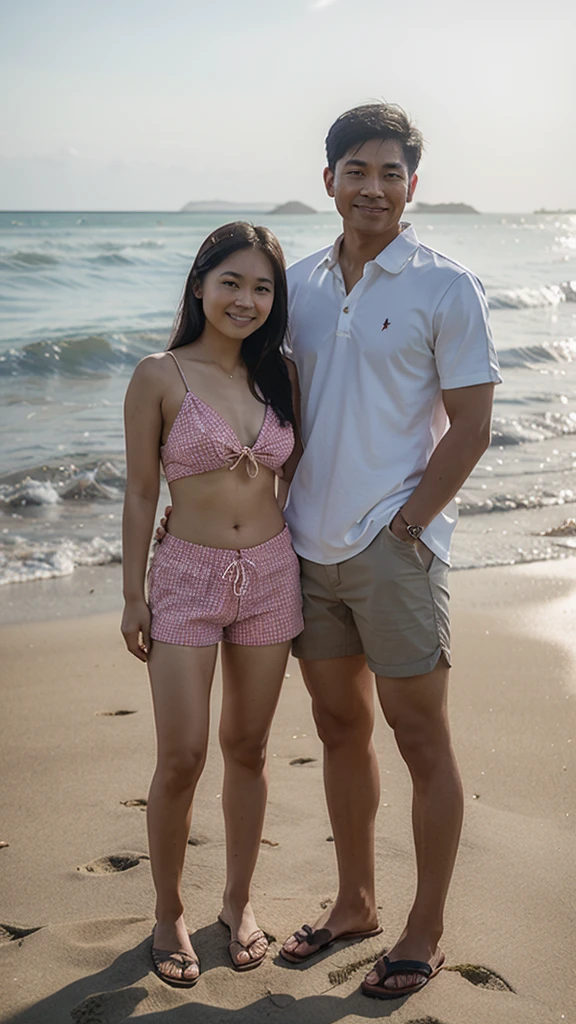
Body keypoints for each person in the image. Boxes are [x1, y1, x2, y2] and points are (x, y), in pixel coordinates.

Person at [158, 101, 502, 1000]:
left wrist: (411, 522)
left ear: (412, 186)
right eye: (358, 171)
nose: (374, 188)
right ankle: (356, 902)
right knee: (340, 728)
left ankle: (424, 925)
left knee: (420, 735)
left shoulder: (445, 284)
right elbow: (261, 407)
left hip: (398, 544)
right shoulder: (296, 285)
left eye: (392, 173)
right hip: (303, 550)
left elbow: (471, 427)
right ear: (329, 182)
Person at [121, 222, 304, 987]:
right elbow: (138, 493)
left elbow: (294, 479)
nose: (246, 299)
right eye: (231, 281)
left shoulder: (281, 374)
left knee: (250, 750)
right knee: (182, 756)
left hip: (270, 572)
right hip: (186, 579)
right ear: (199, 285)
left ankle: (238, 903)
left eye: (262, 286)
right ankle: (167, 911)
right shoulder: (159, 374)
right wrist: (133, 593)